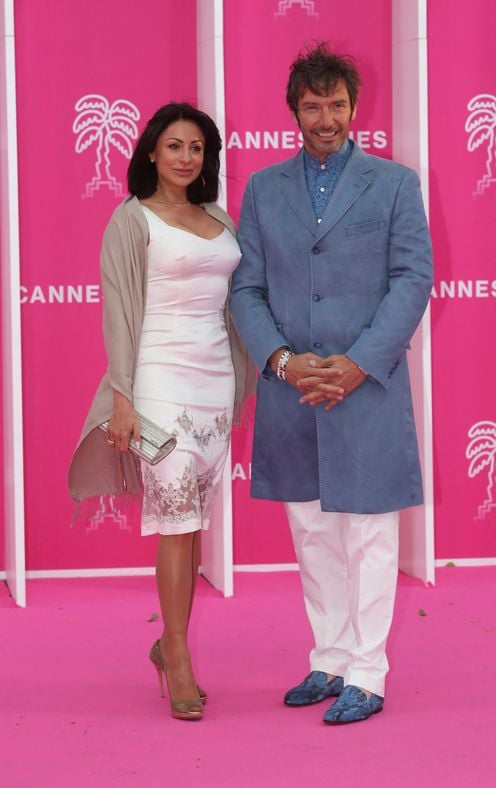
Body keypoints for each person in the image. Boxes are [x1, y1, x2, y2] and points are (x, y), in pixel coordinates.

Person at [230, 43, 433, 725]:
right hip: (293, 390)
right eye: (312, 105)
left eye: (336, 104)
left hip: (366, 386)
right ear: (294, 111)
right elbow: (247, 288)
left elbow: (413, 279)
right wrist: (283, 362)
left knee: (370, 533)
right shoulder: (262, 189)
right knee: (312, 529)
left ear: (354, 105)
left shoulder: (396, 184)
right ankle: (331, 657)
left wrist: (358, 362)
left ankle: (368, 673)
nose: (326, 117)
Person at [68, 102, 254, 721]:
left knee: (192, 521)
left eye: (196, 148)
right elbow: (117, 312)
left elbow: (238, 303)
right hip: (155, 385)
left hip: (214, 386)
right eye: (174, 146)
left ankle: (166, 643)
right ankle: (176, 655)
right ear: (152, 151)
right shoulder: (131, 219)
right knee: (173, 516)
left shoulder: (218, 219)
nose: (185, 157)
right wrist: (123, 396)